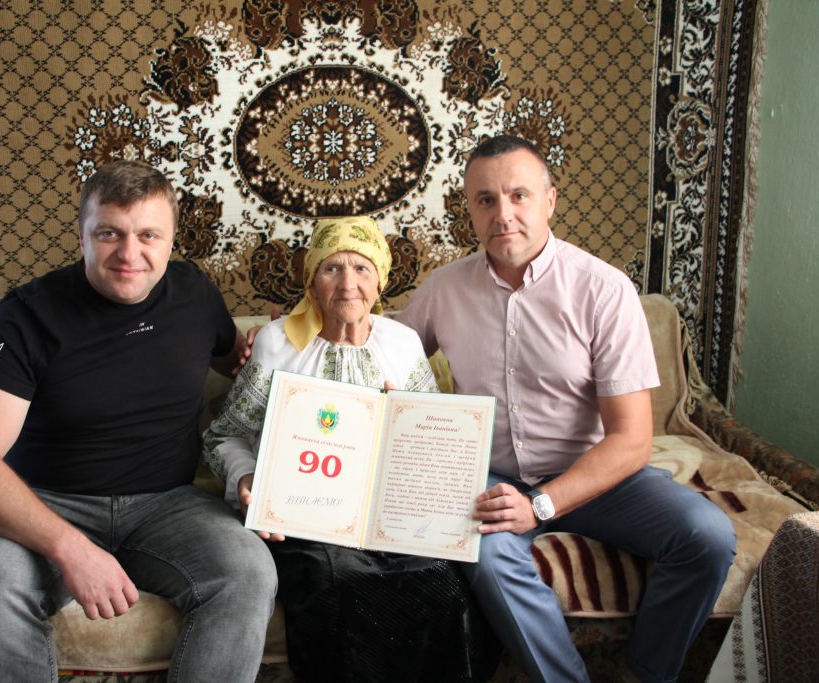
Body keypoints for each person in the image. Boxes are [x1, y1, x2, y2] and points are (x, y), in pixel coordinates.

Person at [395, 135, 737, 683]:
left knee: (707, 536)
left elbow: (631, 440)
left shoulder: (604, 290)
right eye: (485, 200)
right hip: (491, 476)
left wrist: (542, 505)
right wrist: (284, 341)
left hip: (595, 475)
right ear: (470, 211)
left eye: (519, 195)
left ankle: (647, 674)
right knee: (488, 558)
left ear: (549, 200)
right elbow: (376, 357)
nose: (503, 214)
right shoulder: (443, 289)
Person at [0, 160, 277, 683]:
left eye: (148, 235)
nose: (129, 253)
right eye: (109, 234)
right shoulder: (27, 316)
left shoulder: (194, 294)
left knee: (248, 571)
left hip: (169, 504)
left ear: (171, 240)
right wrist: (71, 548)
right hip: (45, 502)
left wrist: (271, 349)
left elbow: (237, 361)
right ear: (82, 237)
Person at [203, 216, 498, 682]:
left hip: (391, 521)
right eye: (331, 268)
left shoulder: (402, 344)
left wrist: (404, 419)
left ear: (380, 281)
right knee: (335, 582)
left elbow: (434, 444)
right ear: (311, 283)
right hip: (303, 522)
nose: (347, 284)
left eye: (361, 268)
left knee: (443, 584)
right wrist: (246, 477)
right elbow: (224, 436)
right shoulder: (278, 344)